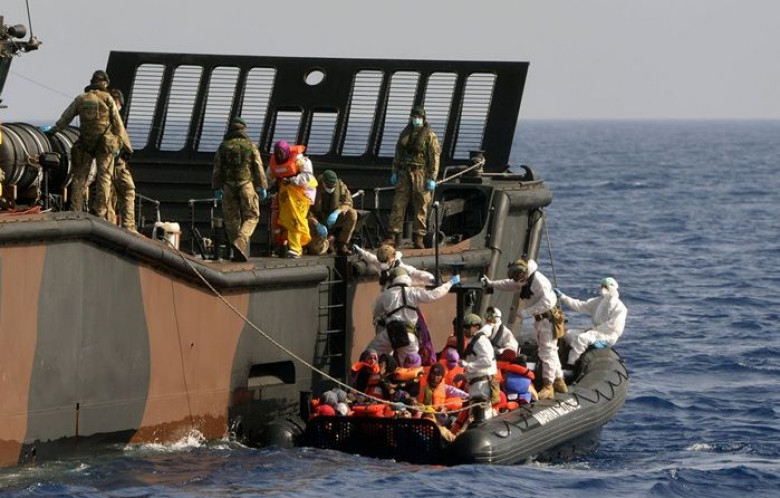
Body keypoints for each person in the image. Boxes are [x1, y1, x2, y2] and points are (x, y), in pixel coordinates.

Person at [49, 70, 130, 218]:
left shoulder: (81, 98)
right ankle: (100, 211)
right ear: (105, 83)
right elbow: (118, 124)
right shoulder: (107, 98)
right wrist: (126, 146)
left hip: (85, 143)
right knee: (104, 177)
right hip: (105, 144)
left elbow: (66, 117)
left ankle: (75, 209)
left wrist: (53, 131)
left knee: (79, 177)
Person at [482, 258, 567, 400]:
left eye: (518, 278)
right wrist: (492, 283)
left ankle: (548, 386)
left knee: (547, 353)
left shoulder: (538, 281)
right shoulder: (525, 279)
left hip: (548, 320)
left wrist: (525, 312)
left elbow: (547, 302)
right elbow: (510, 284)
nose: (517, 281)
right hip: (541, 321)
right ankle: (559, 380)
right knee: (550, 351)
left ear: (524, 274)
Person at [369, 267, 459, 365]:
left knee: (370, 353)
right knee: (409, 365)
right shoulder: (413, 291)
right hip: (408, 336)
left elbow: (376, 312)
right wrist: (450, 283)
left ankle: (367, 371)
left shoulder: (385, 295)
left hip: (389, 333)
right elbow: (434, 294)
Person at [385, 105, 441, 249]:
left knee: (421, 206)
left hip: (421, 173)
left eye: (419, 117)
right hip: (404, 173)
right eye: (414, 117)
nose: (416, 119)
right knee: (398, 204)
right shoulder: (405, 134)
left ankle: (419, 237)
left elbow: (434, 157)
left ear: (423, 118)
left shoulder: (430, 136)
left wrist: (432, 178)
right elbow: (398, 154)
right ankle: (392, 236)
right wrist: (395, 172)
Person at [212, 117, 268, 259]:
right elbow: (258, 167)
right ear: (243, 129)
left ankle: (236, 248)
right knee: (252, 216)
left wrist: (217, 187)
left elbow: (217, 169)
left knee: (231, 219)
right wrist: (262, 186)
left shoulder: (223, 146)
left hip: (228, 186)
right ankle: (241, 241)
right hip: (246, 185)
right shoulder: (250, 146)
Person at [556, 277, 628, 367]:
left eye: (605, 287)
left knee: (581, 339)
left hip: (608, 335)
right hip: (595, 332)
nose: (603, 288)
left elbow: (613, 326)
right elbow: (580, 306)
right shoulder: (598, 301)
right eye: (602, 286)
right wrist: (563, 297)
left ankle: (570, 365)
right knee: (568, 335)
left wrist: (594, 329)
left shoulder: (620, 307)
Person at [106, 88, 137, 232]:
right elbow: (124, 140)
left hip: (104, 164)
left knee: (108, 197)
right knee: (127, 190)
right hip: (116, 163)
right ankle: (128, 226)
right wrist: (128, 152)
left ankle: (109, 226)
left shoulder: (98, 119)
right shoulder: (114, 119)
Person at [308, 169, 357, 256]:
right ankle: (328, 242)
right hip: (317, 220)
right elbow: (306, 210)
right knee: (315, 251)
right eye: (328, 186)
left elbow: (348, 203)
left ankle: (342, 245)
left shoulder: (340, 186)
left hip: (334, 218)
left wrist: (337, 212)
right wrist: (316, 223)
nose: (330, 188)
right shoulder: (313, 186)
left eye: (332, 186)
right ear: (323, 182)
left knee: (352, 214)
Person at [460, 313, 500, 415]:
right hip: (477, 385)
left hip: (482, 386)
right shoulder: (475, 340)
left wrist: (467, 365)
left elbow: (487, 361)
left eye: (467, 327)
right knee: (475, 415)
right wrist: (464, 375)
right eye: (463, 327)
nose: (464, 329)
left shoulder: (480, 341)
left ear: (477, 327)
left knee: (482, 415)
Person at [353, 243, 434, 289]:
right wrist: (431, 279)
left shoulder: (399, 266)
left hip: (395, 291)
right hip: (393, 291)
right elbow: (416, 273)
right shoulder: (393, 263)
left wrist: (359, 250)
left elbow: (368, 256)